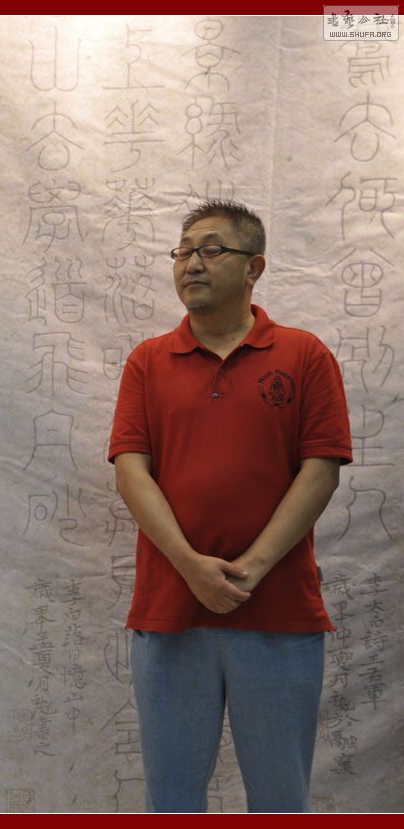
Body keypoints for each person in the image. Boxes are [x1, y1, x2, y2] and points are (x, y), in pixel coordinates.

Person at [109, 200, 352, 812]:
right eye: (184, 251)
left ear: (254, 267)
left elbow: (320, 471)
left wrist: (253, 568)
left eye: (211, 249)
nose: (192, 263)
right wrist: (190, 565)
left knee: (280, 800)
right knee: (172, 801)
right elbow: (132, 472)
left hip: (277, 612)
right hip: (170, 611)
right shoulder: (147, 362)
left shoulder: (304, 356)